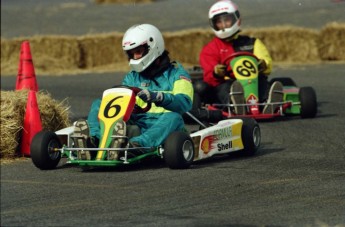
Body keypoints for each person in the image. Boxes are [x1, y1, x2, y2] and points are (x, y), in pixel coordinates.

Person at [72, 24, 194, 160]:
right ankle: (94, 141)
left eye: (138, 51)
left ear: (152, 46)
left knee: (174, 117)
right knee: (99, 104)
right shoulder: (132, 76)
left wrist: (159, 97)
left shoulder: (177, 74)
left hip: (165, 126)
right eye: (131, 53)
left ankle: (136, 146)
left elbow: (185, 103)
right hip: (138, 124)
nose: (135, 57)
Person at [195, 0, 283, 115]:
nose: (223, 25)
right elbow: (208, 75)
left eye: (226, 20)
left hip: (253, 81)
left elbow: (267, 64)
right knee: (225, 87)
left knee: (262, 81)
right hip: (227, 82)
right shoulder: (210, 49)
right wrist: (216, 72)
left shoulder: (253, 43)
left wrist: (263, 64)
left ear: (236, 19)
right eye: (219, 22)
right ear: (214, 24)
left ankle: (268, 102)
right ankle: (234, 104)